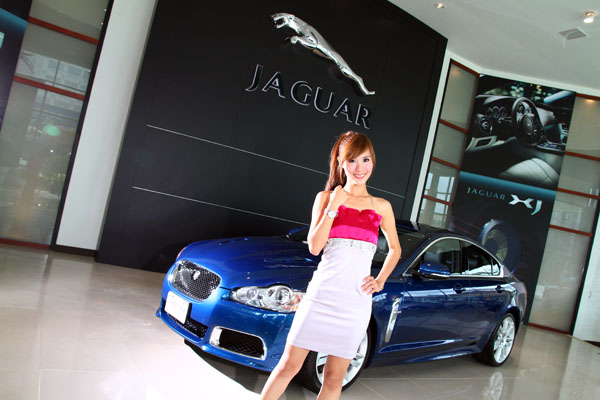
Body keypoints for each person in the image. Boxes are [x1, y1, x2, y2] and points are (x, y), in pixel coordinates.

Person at [259, 131, 402, 400]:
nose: (359, 168)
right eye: (352, 160)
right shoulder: (325, 198)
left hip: (355, 304)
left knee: (334, 378)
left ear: (373, 161)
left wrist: (380, 279)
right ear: (340, 163)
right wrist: (333, 207)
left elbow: (395, 248)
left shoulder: (381, 206)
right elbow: (314, 246)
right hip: (321, 297)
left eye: (365, 160)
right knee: (288, 365)